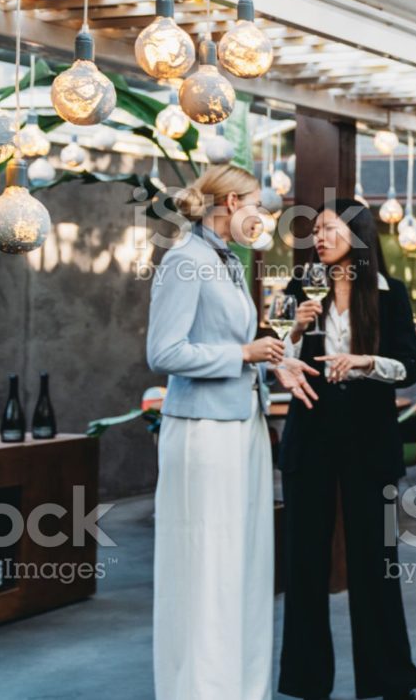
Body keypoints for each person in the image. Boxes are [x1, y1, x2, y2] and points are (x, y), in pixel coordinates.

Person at [276, 199, 416, 700]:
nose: (319, 238)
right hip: (311, 434)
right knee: (305, 561)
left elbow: (411, 366)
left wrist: (368, 362)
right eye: (316, 230)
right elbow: (275, 355)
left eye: (329, 229)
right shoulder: (301, 287)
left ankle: (393, 681)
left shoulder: (391, 294)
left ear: (358, 235)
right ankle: (305, 683)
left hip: (368, 438)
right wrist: (295, 329)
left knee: (376, 561)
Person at [147, 164, 282, 700]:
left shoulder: (225, 260)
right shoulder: (185, 259)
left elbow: (230, 342)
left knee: (245, 563)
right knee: (208, 567)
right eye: (258, 204)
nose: (263, 215)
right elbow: (164, 352)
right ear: (230, 203)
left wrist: (271, 361)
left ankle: (243, 688)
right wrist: (243, 353)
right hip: (204, 432)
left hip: (243, 426)